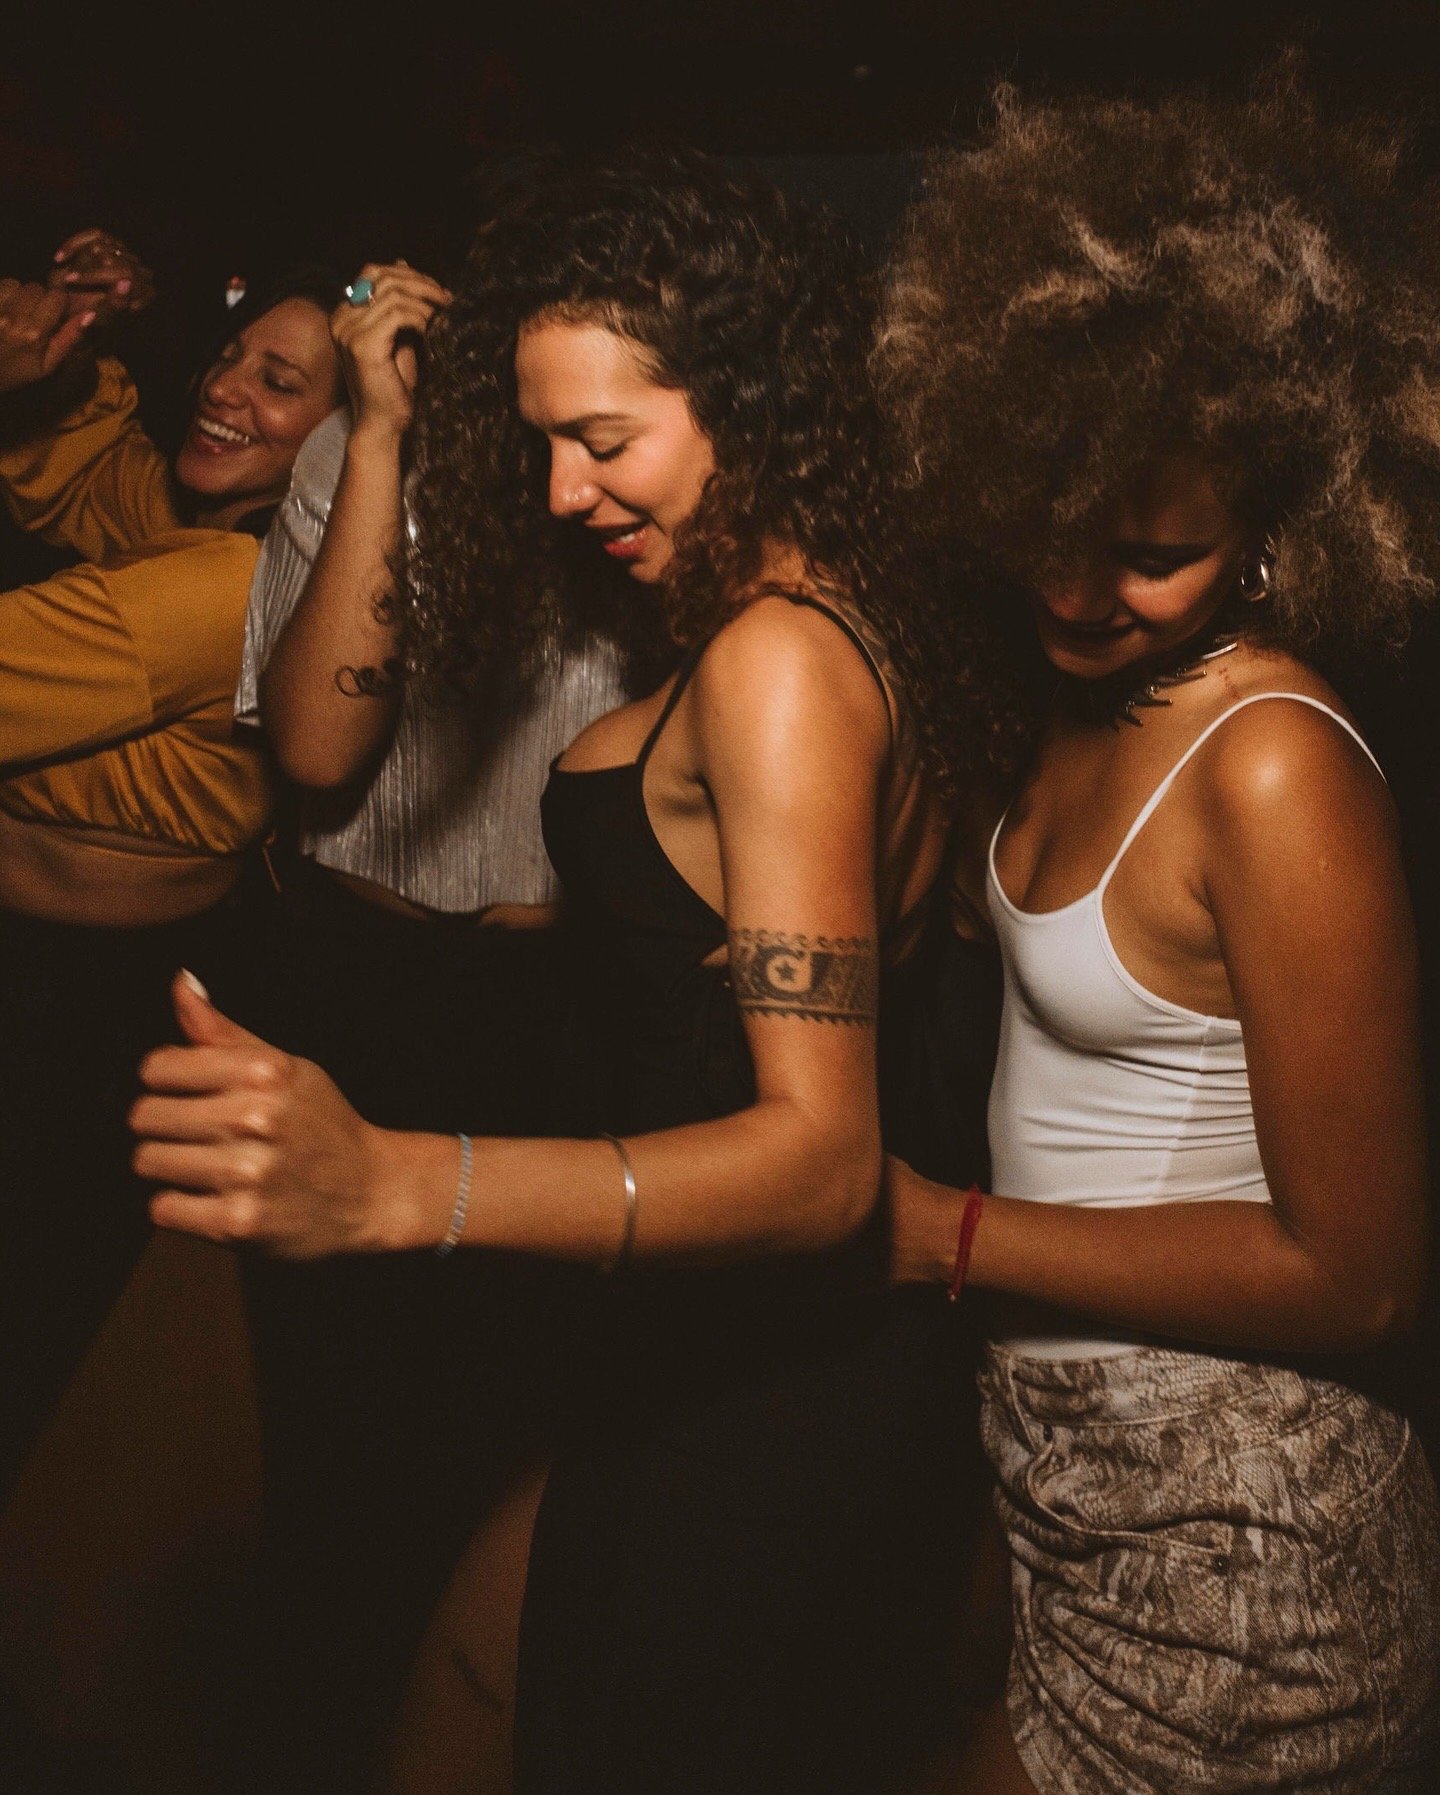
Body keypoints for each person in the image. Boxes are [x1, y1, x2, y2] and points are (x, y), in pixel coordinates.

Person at [130, 147, 1002, 1794]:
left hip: (771, 1380)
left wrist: (394, 1183)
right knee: (467, 1675)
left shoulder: (777, 666)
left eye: (605, 442)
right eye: (543, 443)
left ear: (748, 399)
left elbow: (823, 1162)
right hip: (717, 1345)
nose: (558, 494)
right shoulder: (836, 609)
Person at [876, 77, 1440, 1793]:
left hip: (1244, 1530)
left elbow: (1361, 1277)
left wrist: (944, 1234)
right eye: (1051, 530)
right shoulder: (1077, 691)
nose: (1075, 590)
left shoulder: (1269, 760)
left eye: (1152, 554)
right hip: (1058, 1467)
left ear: (1280, 528)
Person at [231, 247, 632, 1790]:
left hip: (558, 1007)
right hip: (353, 980)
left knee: (511, 1441)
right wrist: (385, 436)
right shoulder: (359, 444)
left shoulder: (626, 478)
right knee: (330, 1442)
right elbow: (321, 754)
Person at [0, 235, 341, 1496]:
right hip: (100, 992)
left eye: (281, 383)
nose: (225, 386)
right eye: (233, 353)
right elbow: (92, 483)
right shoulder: (245, 543)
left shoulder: (227, 590)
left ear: (339, 455)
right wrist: (69, 360)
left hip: (60, 1014)